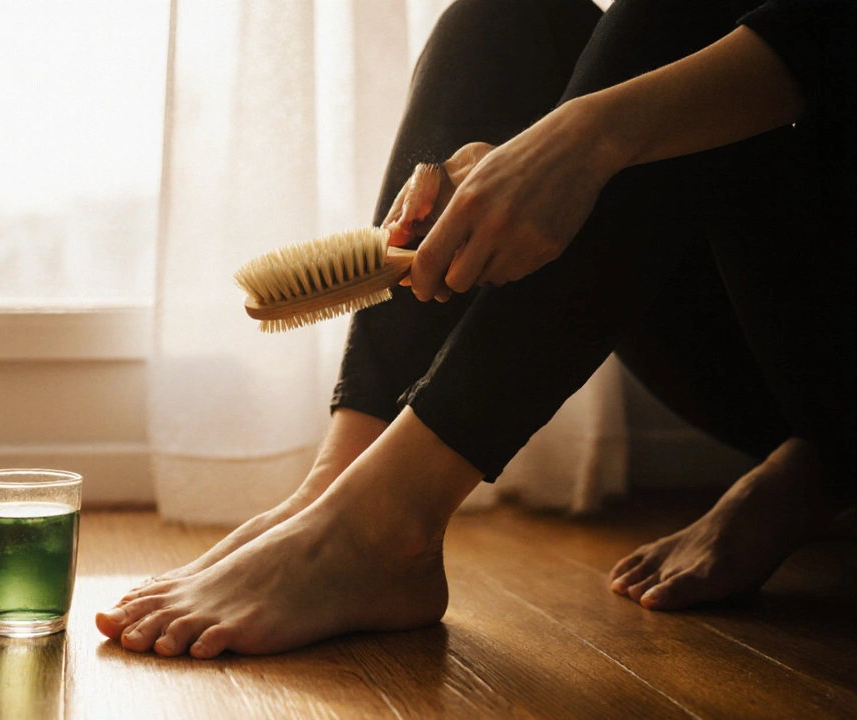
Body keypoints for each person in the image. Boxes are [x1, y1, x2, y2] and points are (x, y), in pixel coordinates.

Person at [96, 0, 856, 659]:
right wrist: (531, 155)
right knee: (506, 20)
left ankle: (390, 523)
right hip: (763, 350)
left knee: (688, 24)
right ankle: (342, 482)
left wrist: (583, 141)